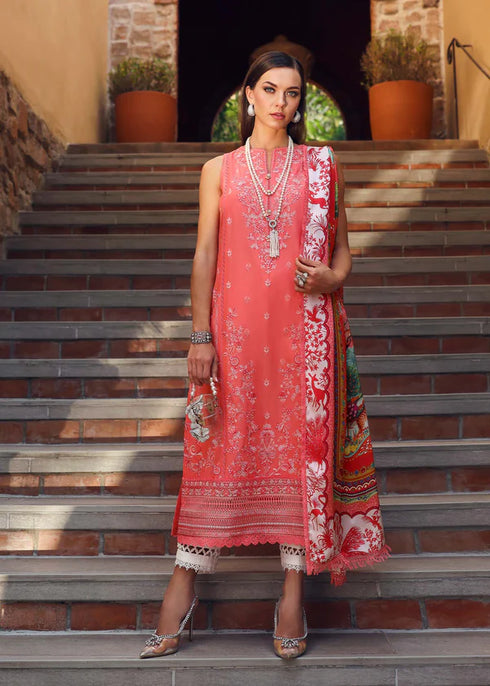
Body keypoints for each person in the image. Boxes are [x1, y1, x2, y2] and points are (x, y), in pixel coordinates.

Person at [140, 50, 390, 661]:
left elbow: (342, 250)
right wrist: (200, 337)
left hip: (303, 339)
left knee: (300, 457)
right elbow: (204, 254)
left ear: (301, 102)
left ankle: (292, 596)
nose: (282, 102)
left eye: (293, 92)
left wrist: (334, 279)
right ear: (247, 95)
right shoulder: (218, 170)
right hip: (233, 338)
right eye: (270, 89)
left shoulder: (322, 167)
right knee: (216, 448)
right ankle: (184, 581)